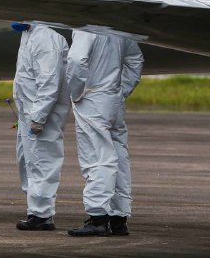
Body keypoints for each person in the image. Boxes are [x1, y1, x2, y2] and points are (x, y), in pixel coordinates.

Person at [65, 31, 143, 237]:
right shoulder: (118, 27)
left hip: (92, 97)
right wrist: (122, 88)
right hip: (113, 97)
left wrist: (76, 92)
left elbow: (75, 59)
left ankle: (98, 216)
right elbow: (135, 58)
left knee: (97, 157)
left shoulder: (85, 26)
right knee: (119, 156)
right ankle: (119, 218)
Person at [11, 22, 70, 231]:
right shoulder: (29, 34)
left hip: (41, 115)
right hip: (29, 113)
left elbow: (50, 81)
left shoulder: (45, 37)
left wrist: (39, 116)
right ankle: (35, 209)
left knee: (42, 162)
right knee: (28, 162)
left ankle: (42, 215)